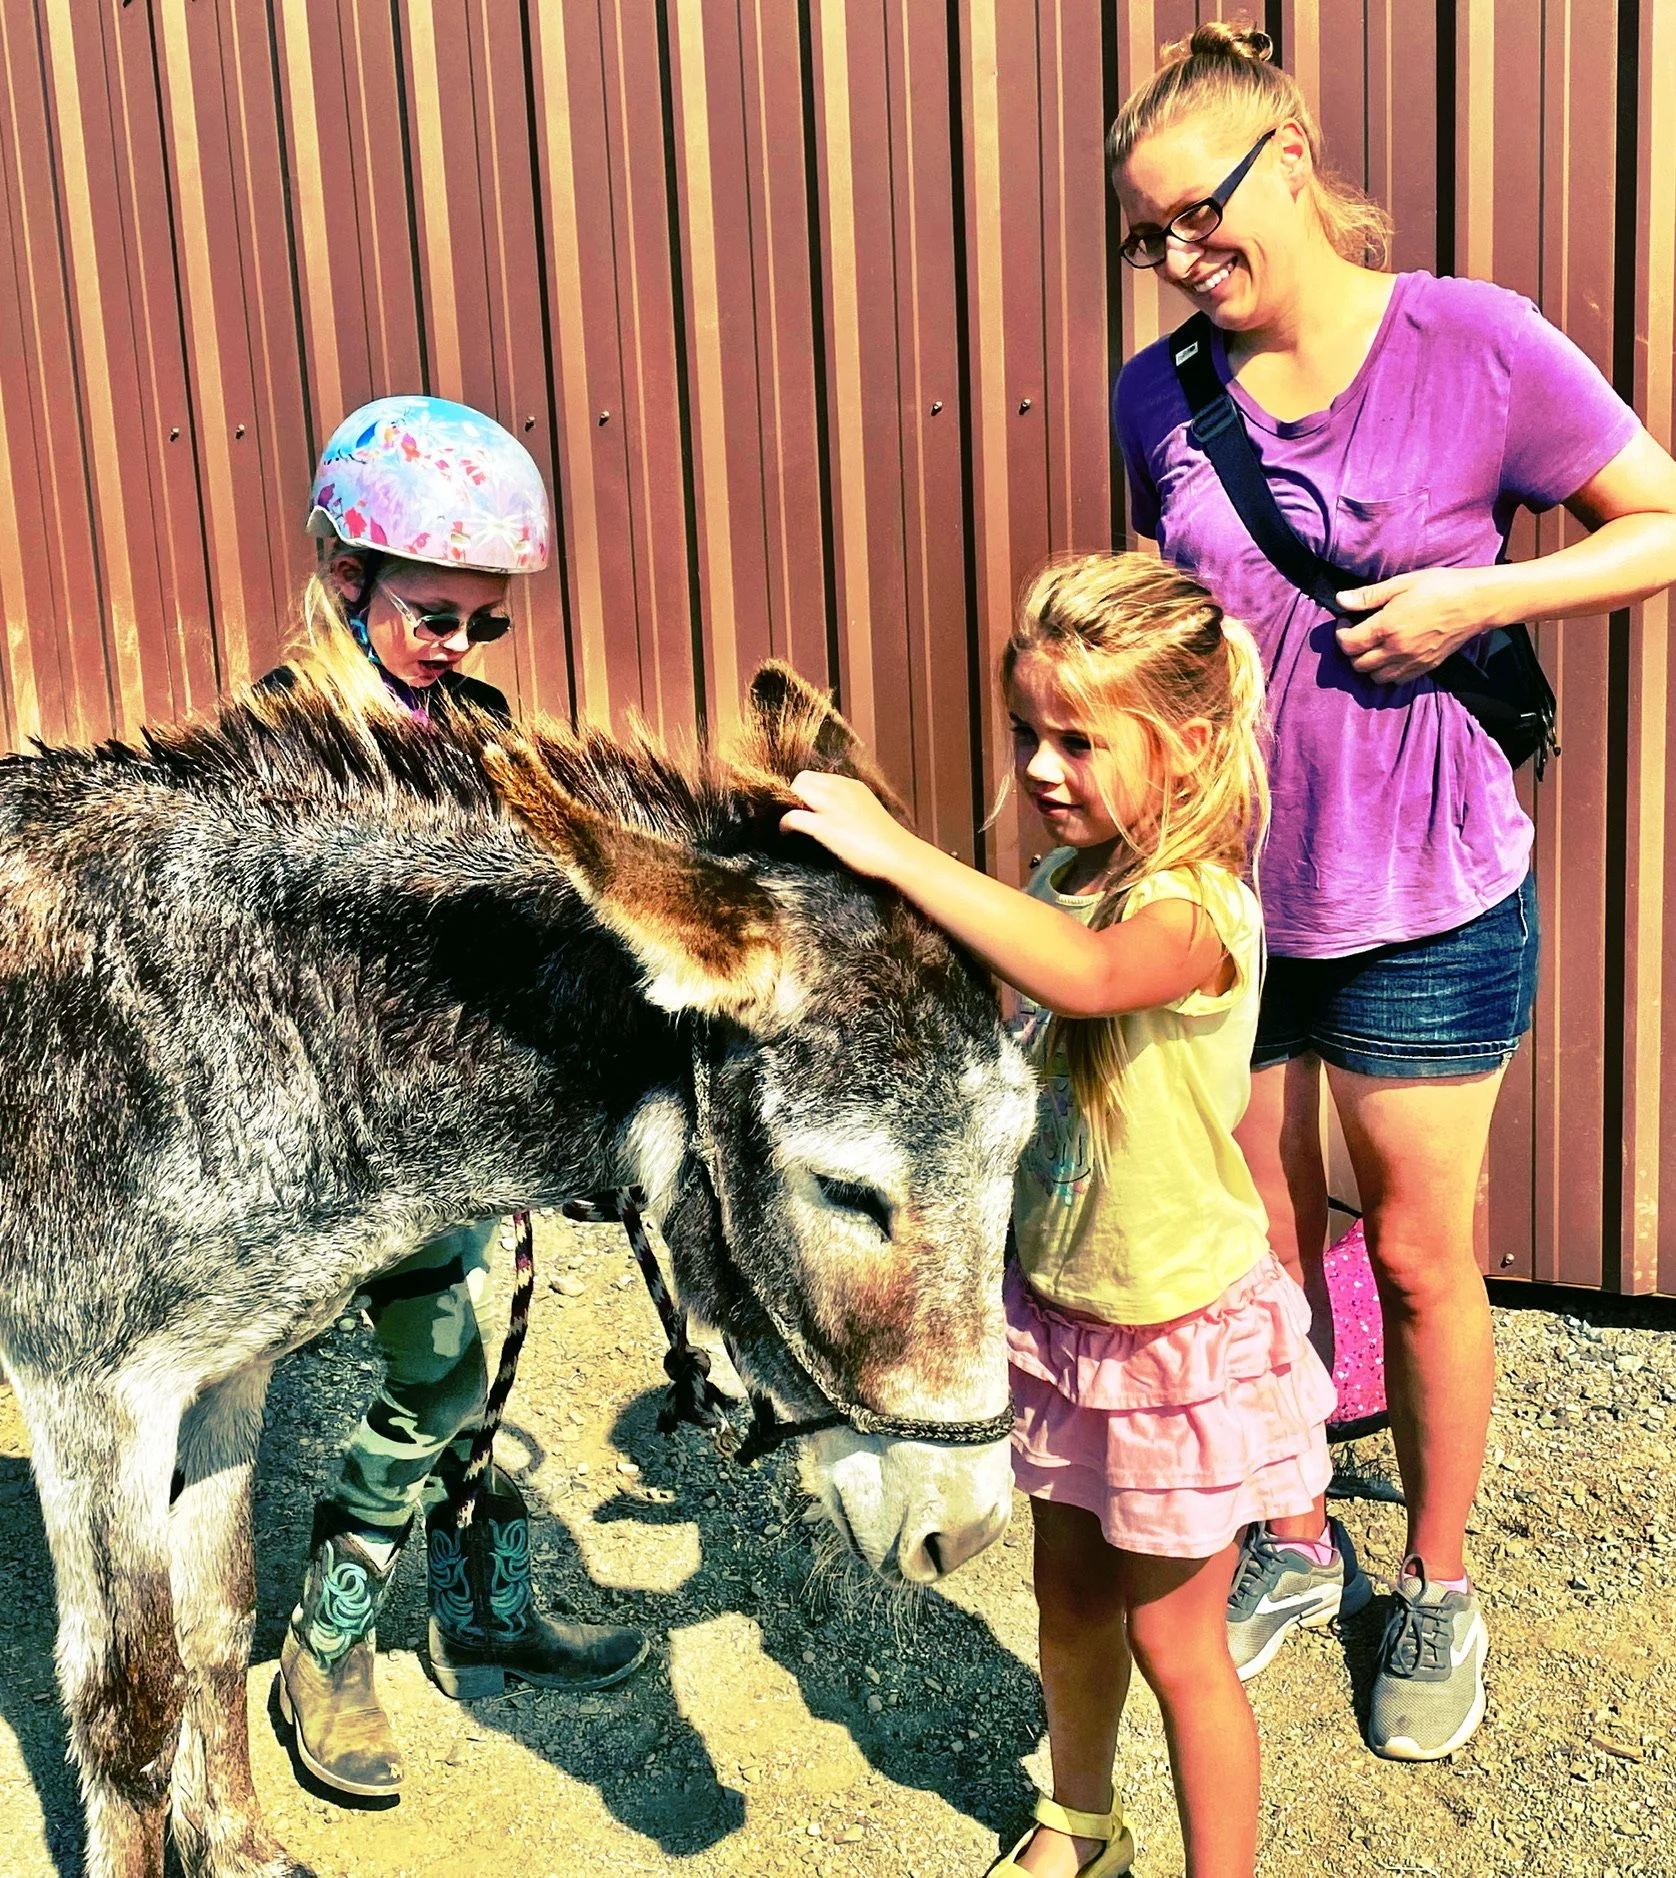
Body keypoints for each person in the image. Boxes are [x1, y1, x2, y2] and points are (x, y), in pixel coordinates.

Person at [1108, 23, 1676, 1762]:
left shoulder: (1477, 340)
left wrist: (1473, 606)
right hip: (1230, 895)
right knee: (1260, 1242)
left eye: (1200, 219)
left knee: (1423, 1257)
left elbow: (1660, 520)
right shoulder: (1164, 393)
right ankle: (1292, 1531)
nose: (1182, 264)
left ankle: (1434, 1577)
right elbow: (1172, 618)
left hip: (1430, 885)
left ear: (1289, 155)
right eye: (1150, 240)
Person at [783, 552, 1331, 1878]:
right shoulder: (1057, 882)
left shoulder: (1194, 911)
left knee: (1178, 1644)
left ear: (1189, 747)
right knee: (1069, 1602)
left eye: (1080, 739)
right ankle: (1080, 1820)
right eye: (1029, 730)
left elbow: (1085, 982)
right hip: (1062, 1323)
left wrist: (895, 848)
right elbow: (1008, 990)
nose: (1039, 764)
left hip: (1172, 1343)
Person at [268, 396, 647, 1801]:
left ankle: (483, 1609)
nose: (461, 647)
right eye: (436, 614)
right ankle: (325, 1644)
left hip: (461, 1133)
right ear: (346, 574)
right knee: (432, 1383)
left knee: (477, 1372)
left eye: (485, 623)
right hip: (348, 1145)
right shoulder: (284, 746)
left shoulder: (472, 723)